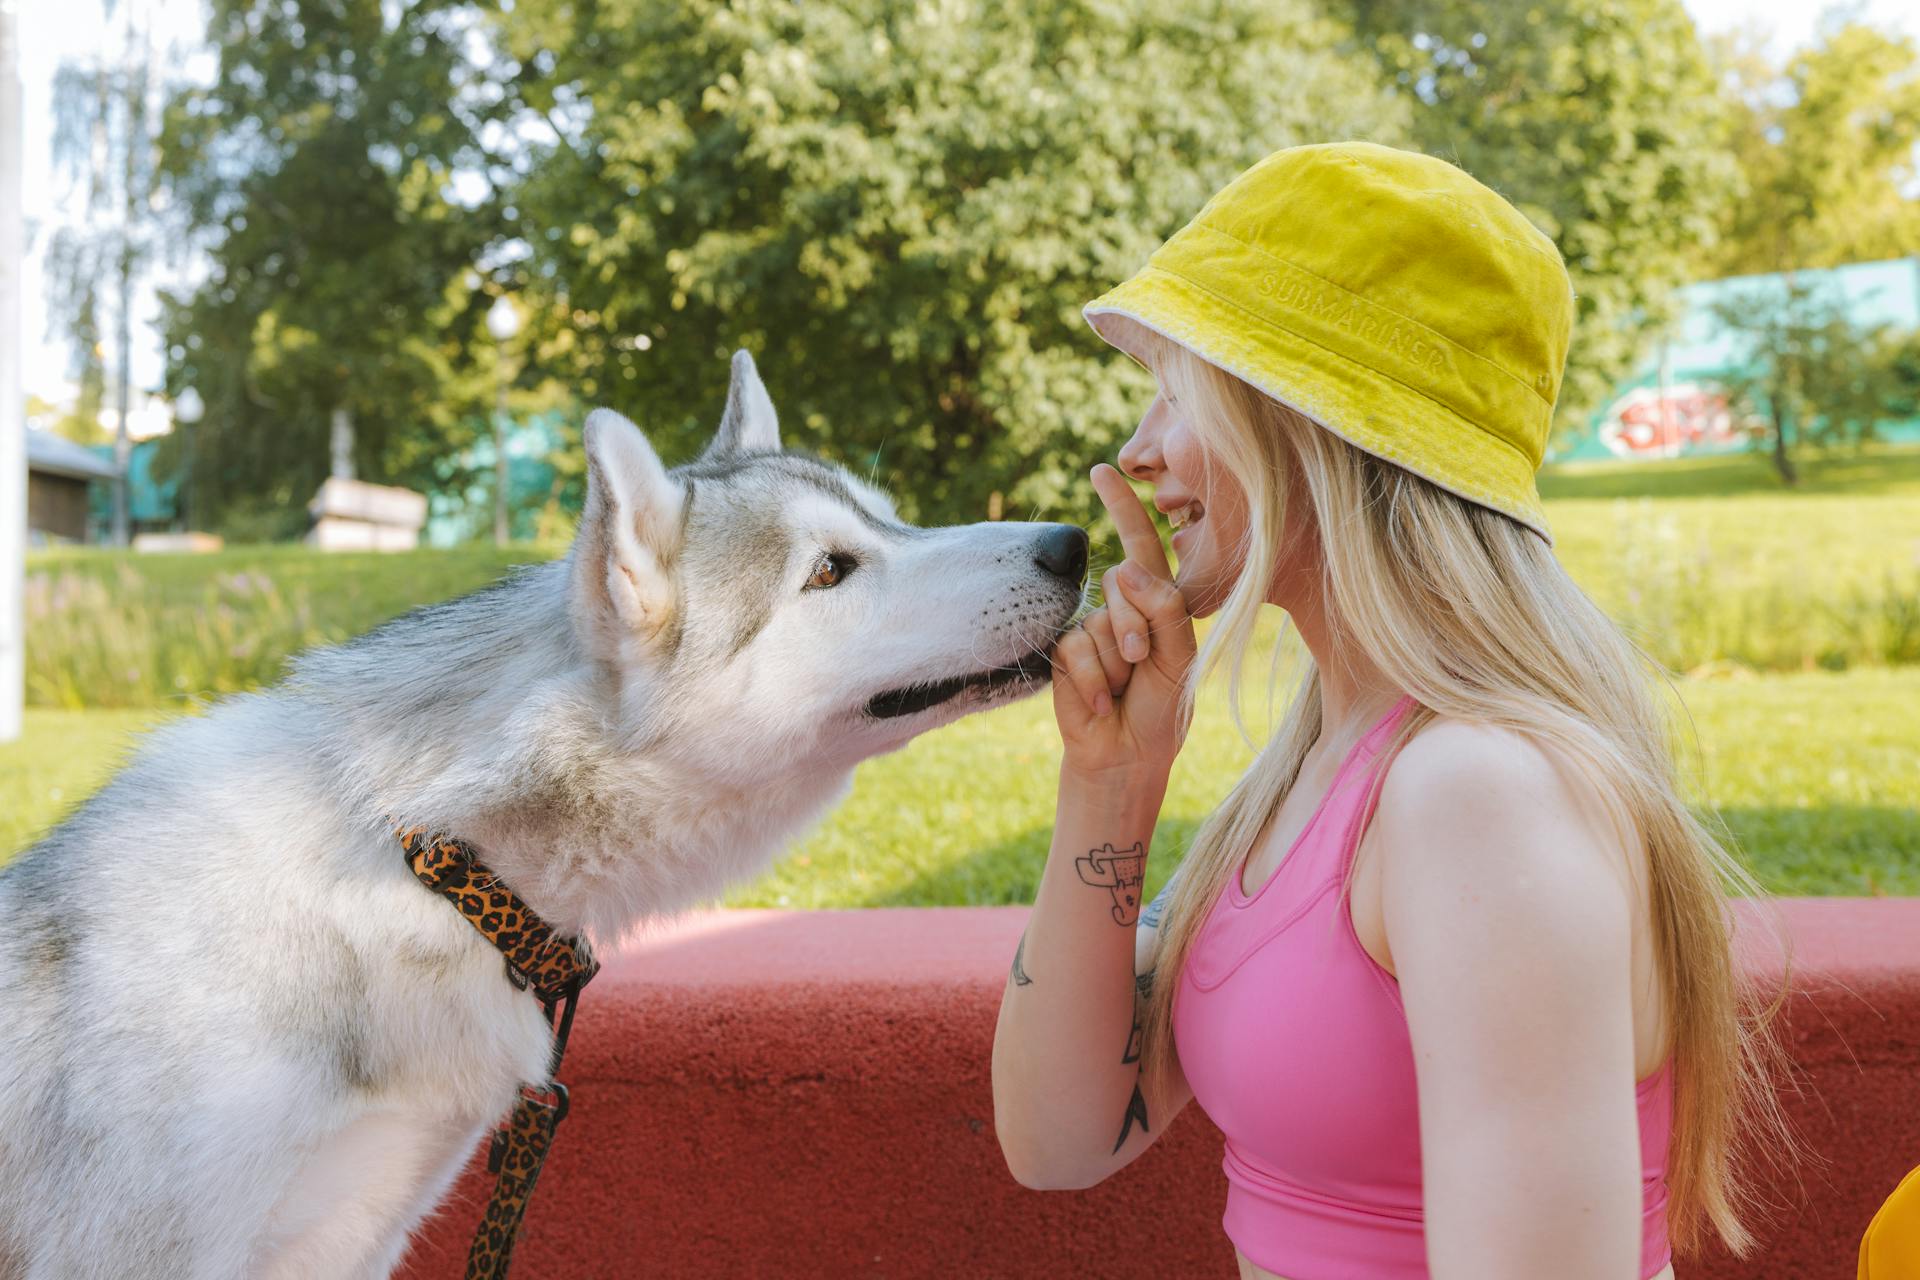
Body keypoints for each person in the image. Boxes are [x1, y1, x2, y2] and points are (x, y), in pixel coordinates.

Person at [990, 142, 1786, 1280]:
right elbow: (1058, 1138)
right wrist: (1110, 783)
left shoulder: (1480, 791)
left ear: (1306, 420)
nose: (1139, 451)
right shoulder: (1322, 756)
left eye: (1178, 389)